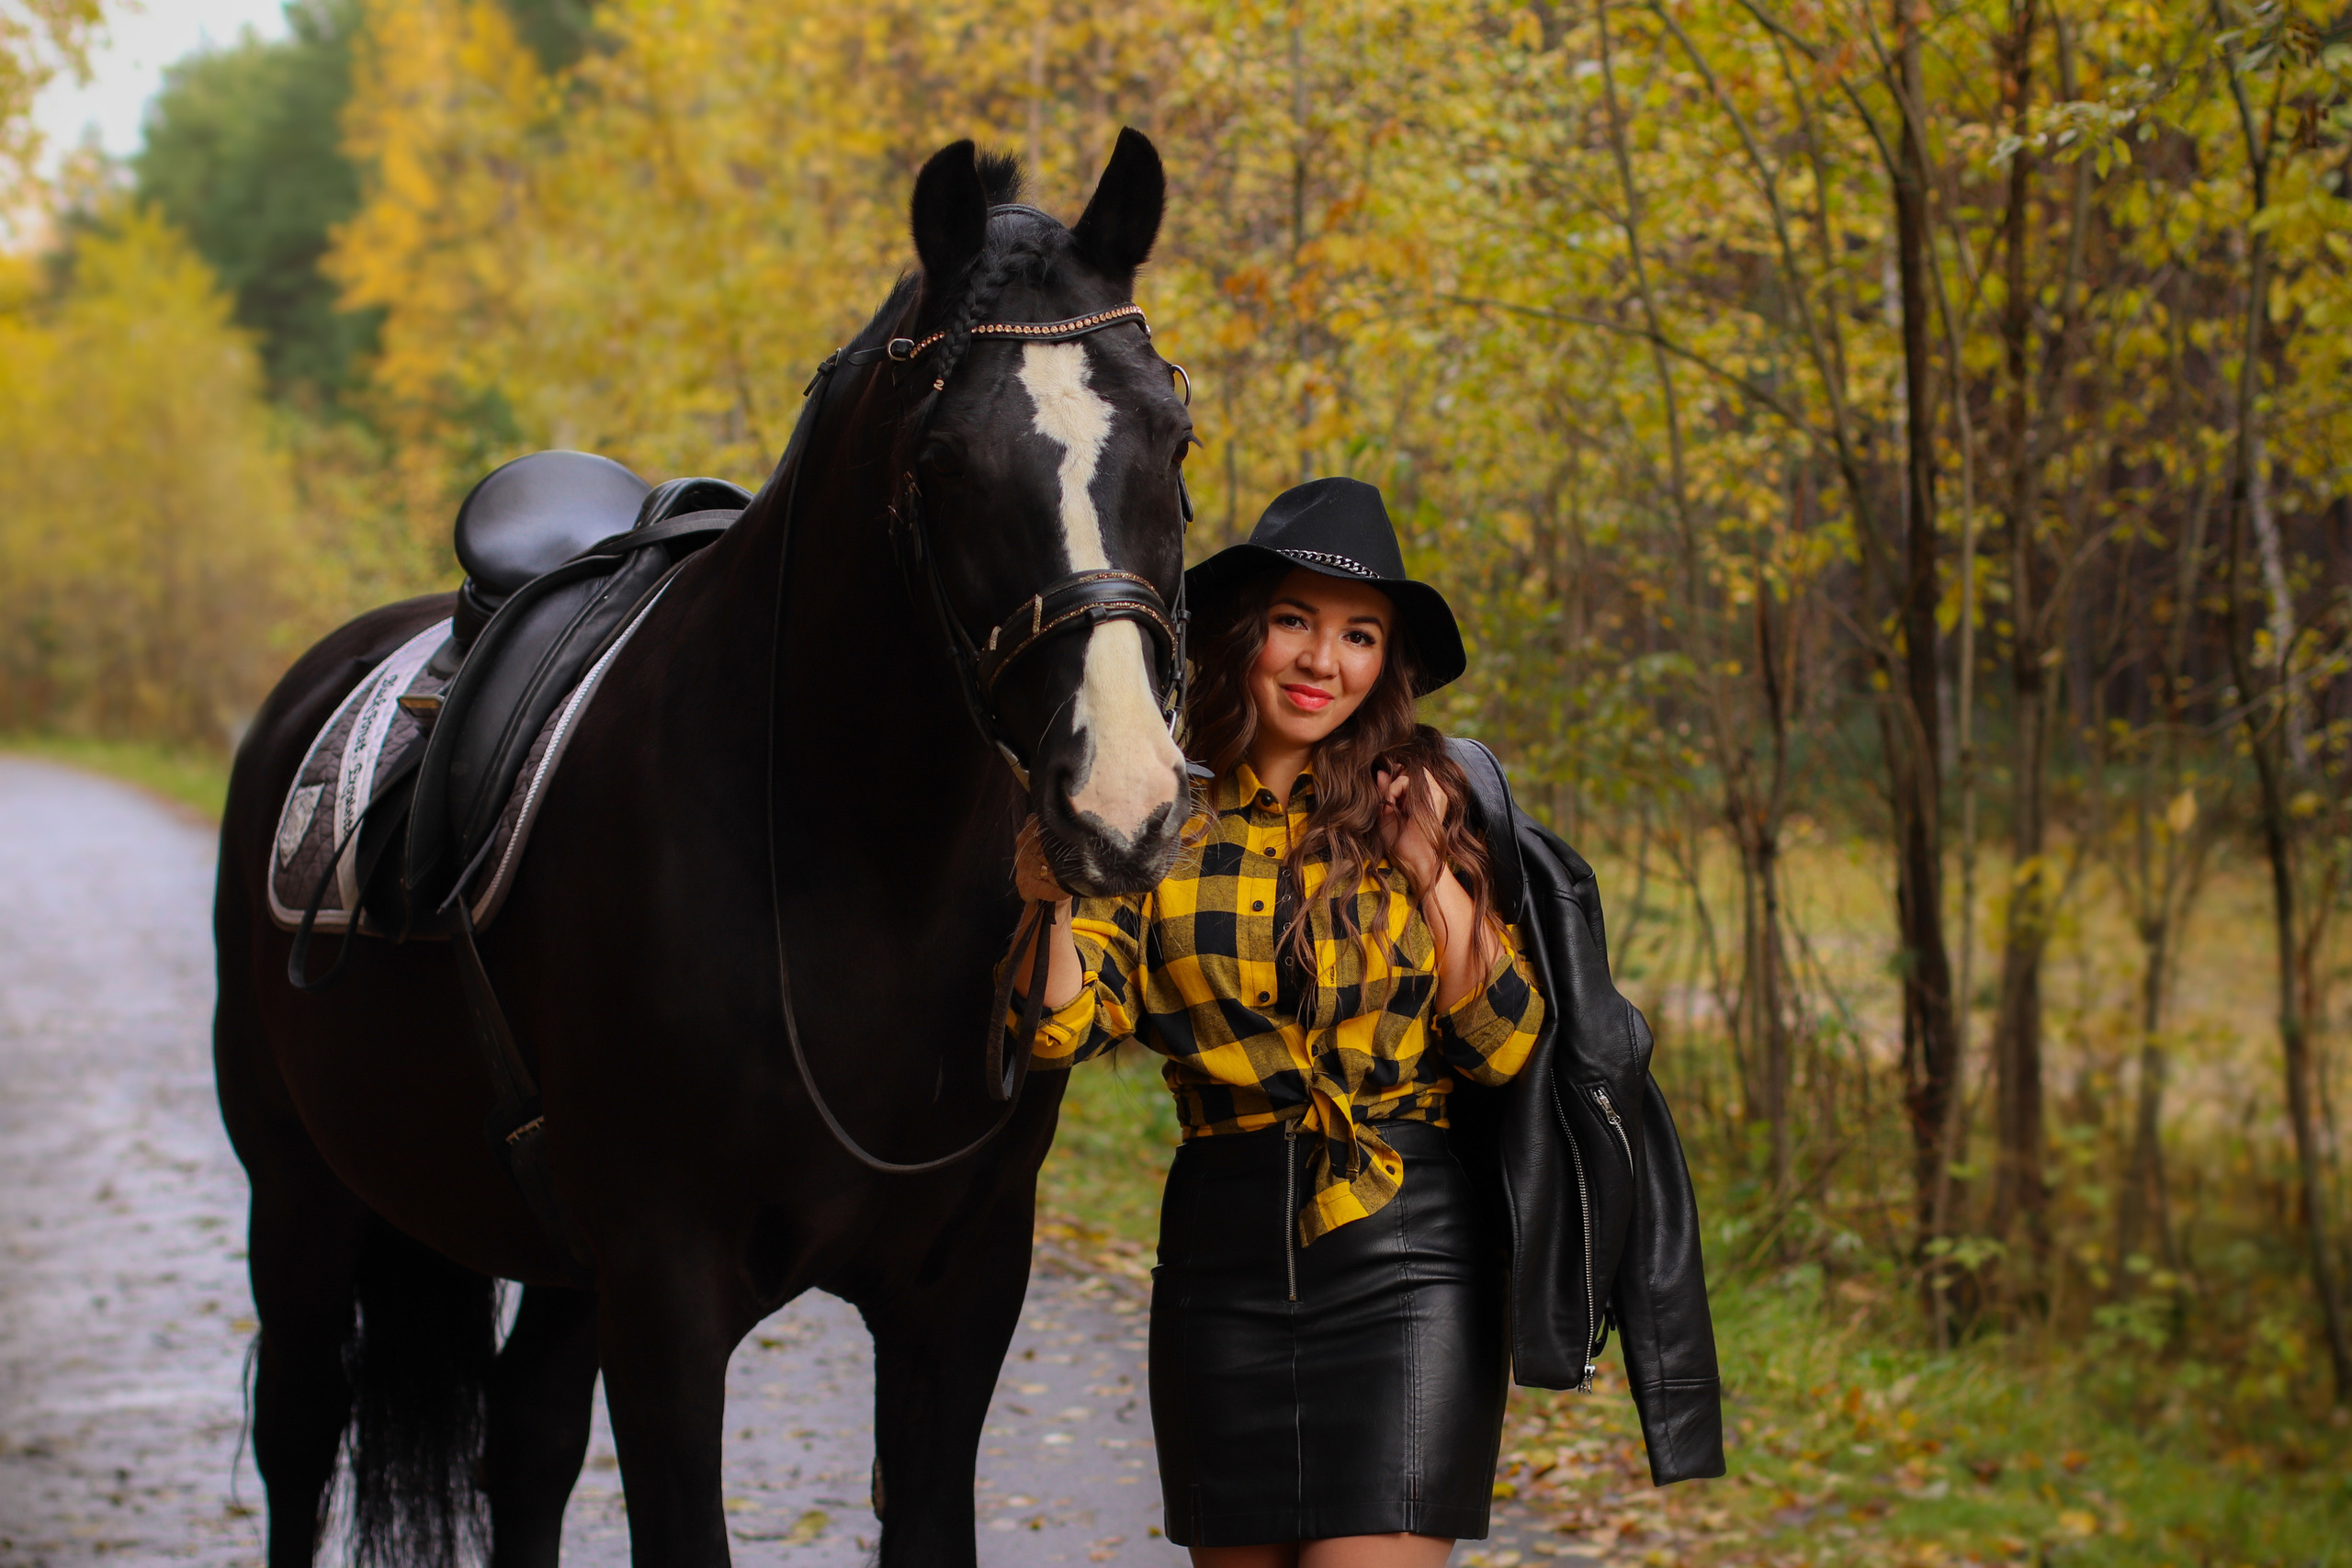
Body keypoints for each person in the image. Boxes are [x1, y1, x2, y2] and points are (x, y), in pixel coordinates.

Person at [1008, 477, 1546, 1568]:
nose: (1321, 662)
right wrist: (1048, 896)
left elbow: (1504, 1043)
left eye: (1358, 635)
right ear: (1245, 633)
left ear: (1384, 663)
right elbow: (1060, 1028)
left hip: (1410, 1258)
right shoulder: (1159, 816)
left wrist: (1432, 873)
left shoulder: (1428, 794)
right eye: (1295, 622)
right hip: (1225, 1262)